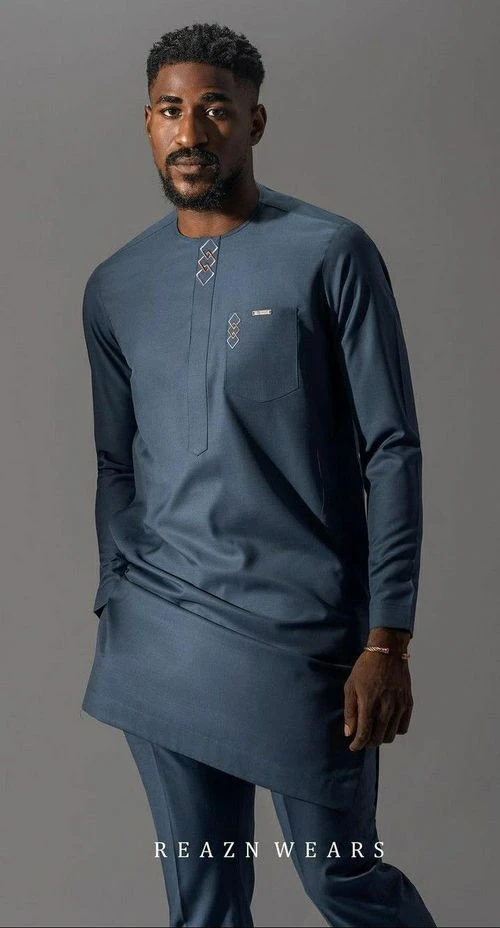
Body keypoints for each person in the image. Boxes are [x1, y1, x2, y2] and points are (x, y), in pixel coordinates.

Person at [80, 21, 437, 928]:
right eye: (170, 111)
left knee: (342, 883)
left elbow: (392, 449)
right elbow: (116, 460)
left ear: (255, 122)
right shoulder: (116, 286)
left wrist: (387, 640)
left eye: (215, 110)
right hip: (161, 636)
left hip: (305, 639)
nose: (190, 131)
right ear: (148, 123)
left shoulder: (331, 252)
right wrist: (117, 591)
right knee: (204, 902)